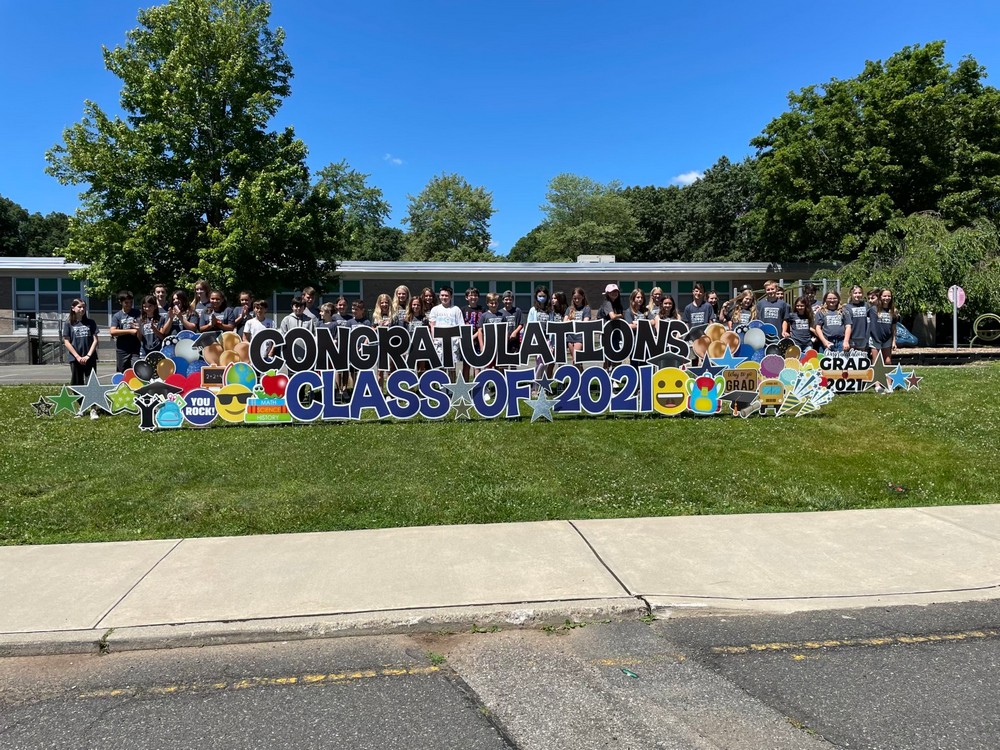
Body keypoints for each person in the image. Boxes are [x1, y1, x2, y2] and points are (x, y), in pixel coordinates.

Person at [428, 286, 464, 380]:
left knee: (452, 368)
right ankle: (442, 388)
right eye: (442, 295)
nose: (444, 297)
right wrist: (434, 339)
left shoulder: (456, 309)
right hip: (439, 343)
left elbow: (461, 326)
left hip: (452, 344)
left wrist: (458, 341)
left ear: (451, 297)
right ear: (439, 296)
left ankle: (452, 389)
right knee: (441, 368)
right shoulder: (435, 309)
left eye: (446, 295)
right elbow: (432, 325)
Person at [63, 298, 98, 385]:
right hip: (75, 359)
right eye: (79, 307)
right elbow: (67, 342)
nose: (82, 309)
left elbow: (95, 340)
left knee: (91, 383)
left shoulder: (91, 322)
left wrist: (88, 355)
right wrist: (77, 357)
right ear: (73, 308)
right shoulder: (68, 323)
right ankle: (79, 399)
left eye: (84, 307)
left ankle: (91, 399)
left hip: (90, 358)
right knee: (77, 383)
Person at [109, 290, 141, 373]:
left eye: (131, 302)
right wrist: (130, 331)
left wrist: (137, 329)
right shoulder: (117, 316)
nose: (129, 305)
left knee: (136, 369)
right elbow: (112, 331)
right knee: (122, 371)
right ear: (121, 302)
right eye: (126, 302)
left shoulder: (137, 313)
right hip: (122, 349)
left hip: (135, 348)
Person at [868, 288, 898, 364]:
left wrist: (894, 341)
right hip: (875, 339)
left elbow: (894, 327)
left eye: (889, 296)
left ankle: (887, 376)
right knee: (876, 362)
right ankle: (876, 376)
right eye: (884, 296)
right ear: (880, 297)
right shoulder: (873, 309)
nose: (887, 298)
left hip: (887, 339)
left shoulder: (893, 311)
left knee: (888, 361)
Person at [565, 287, 591, 369]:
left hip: (580, 337)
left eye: (579, 298)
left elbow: (585, 322)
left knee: (576, 360)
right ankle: (582, 378)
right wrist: (570, 318)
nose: (577, 300)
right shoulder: (570, 309)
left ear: (583, 297)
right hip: (570, 337)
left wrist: (575, 322)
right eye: (575, 298)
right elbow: (564, 322)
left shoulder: (586, 308)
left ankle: (577, 379)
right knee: (576, 361)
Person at [499, 290, 524, 366]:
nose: (508, 301)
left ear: (513, 300)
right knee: (504, 362)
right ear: (503, 300)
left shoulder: (517, 310)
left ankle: (513, 377)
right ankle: (504, 377)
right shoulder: (500, 312)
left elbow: (521, 324)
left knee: (514, 362)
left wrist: (515, 332)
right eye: (506, 299)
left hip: (514, 340)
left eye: (510, 299)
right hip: (504, 341)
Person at [843, 285, 870, 354]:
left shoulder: (866, 305)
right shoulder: (846, 307)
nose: (857, 295)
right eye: (855, 293)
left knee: (861, 359)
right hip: (852, 338)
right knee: (851, 359)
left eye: (859, 293)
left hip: (863, 337)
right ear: (851, 294)